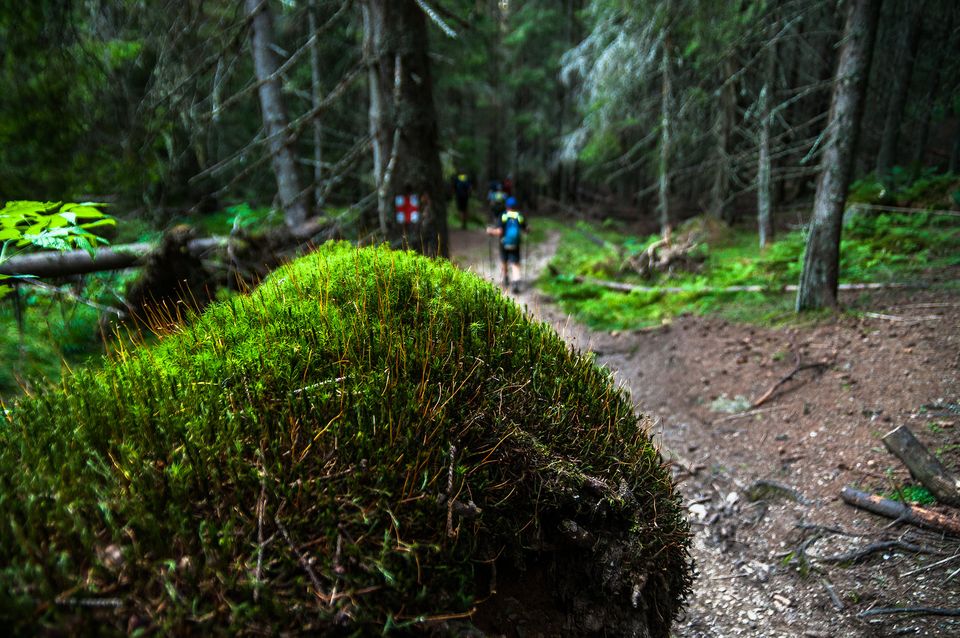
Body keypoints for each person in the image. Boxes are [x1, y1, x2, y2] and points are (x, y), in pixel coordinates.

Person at [487, 196, 527, 293]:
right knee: (515, 262)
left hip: (504, 243)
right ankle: (516, 281)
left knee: (504, 260)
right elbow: (526, 229)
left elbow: (500, 231)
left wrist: (490, 231)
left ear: (507, 206)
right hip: (515, 243)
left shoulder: (503, 215)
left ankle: (506, 277)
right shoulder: (519, 216)